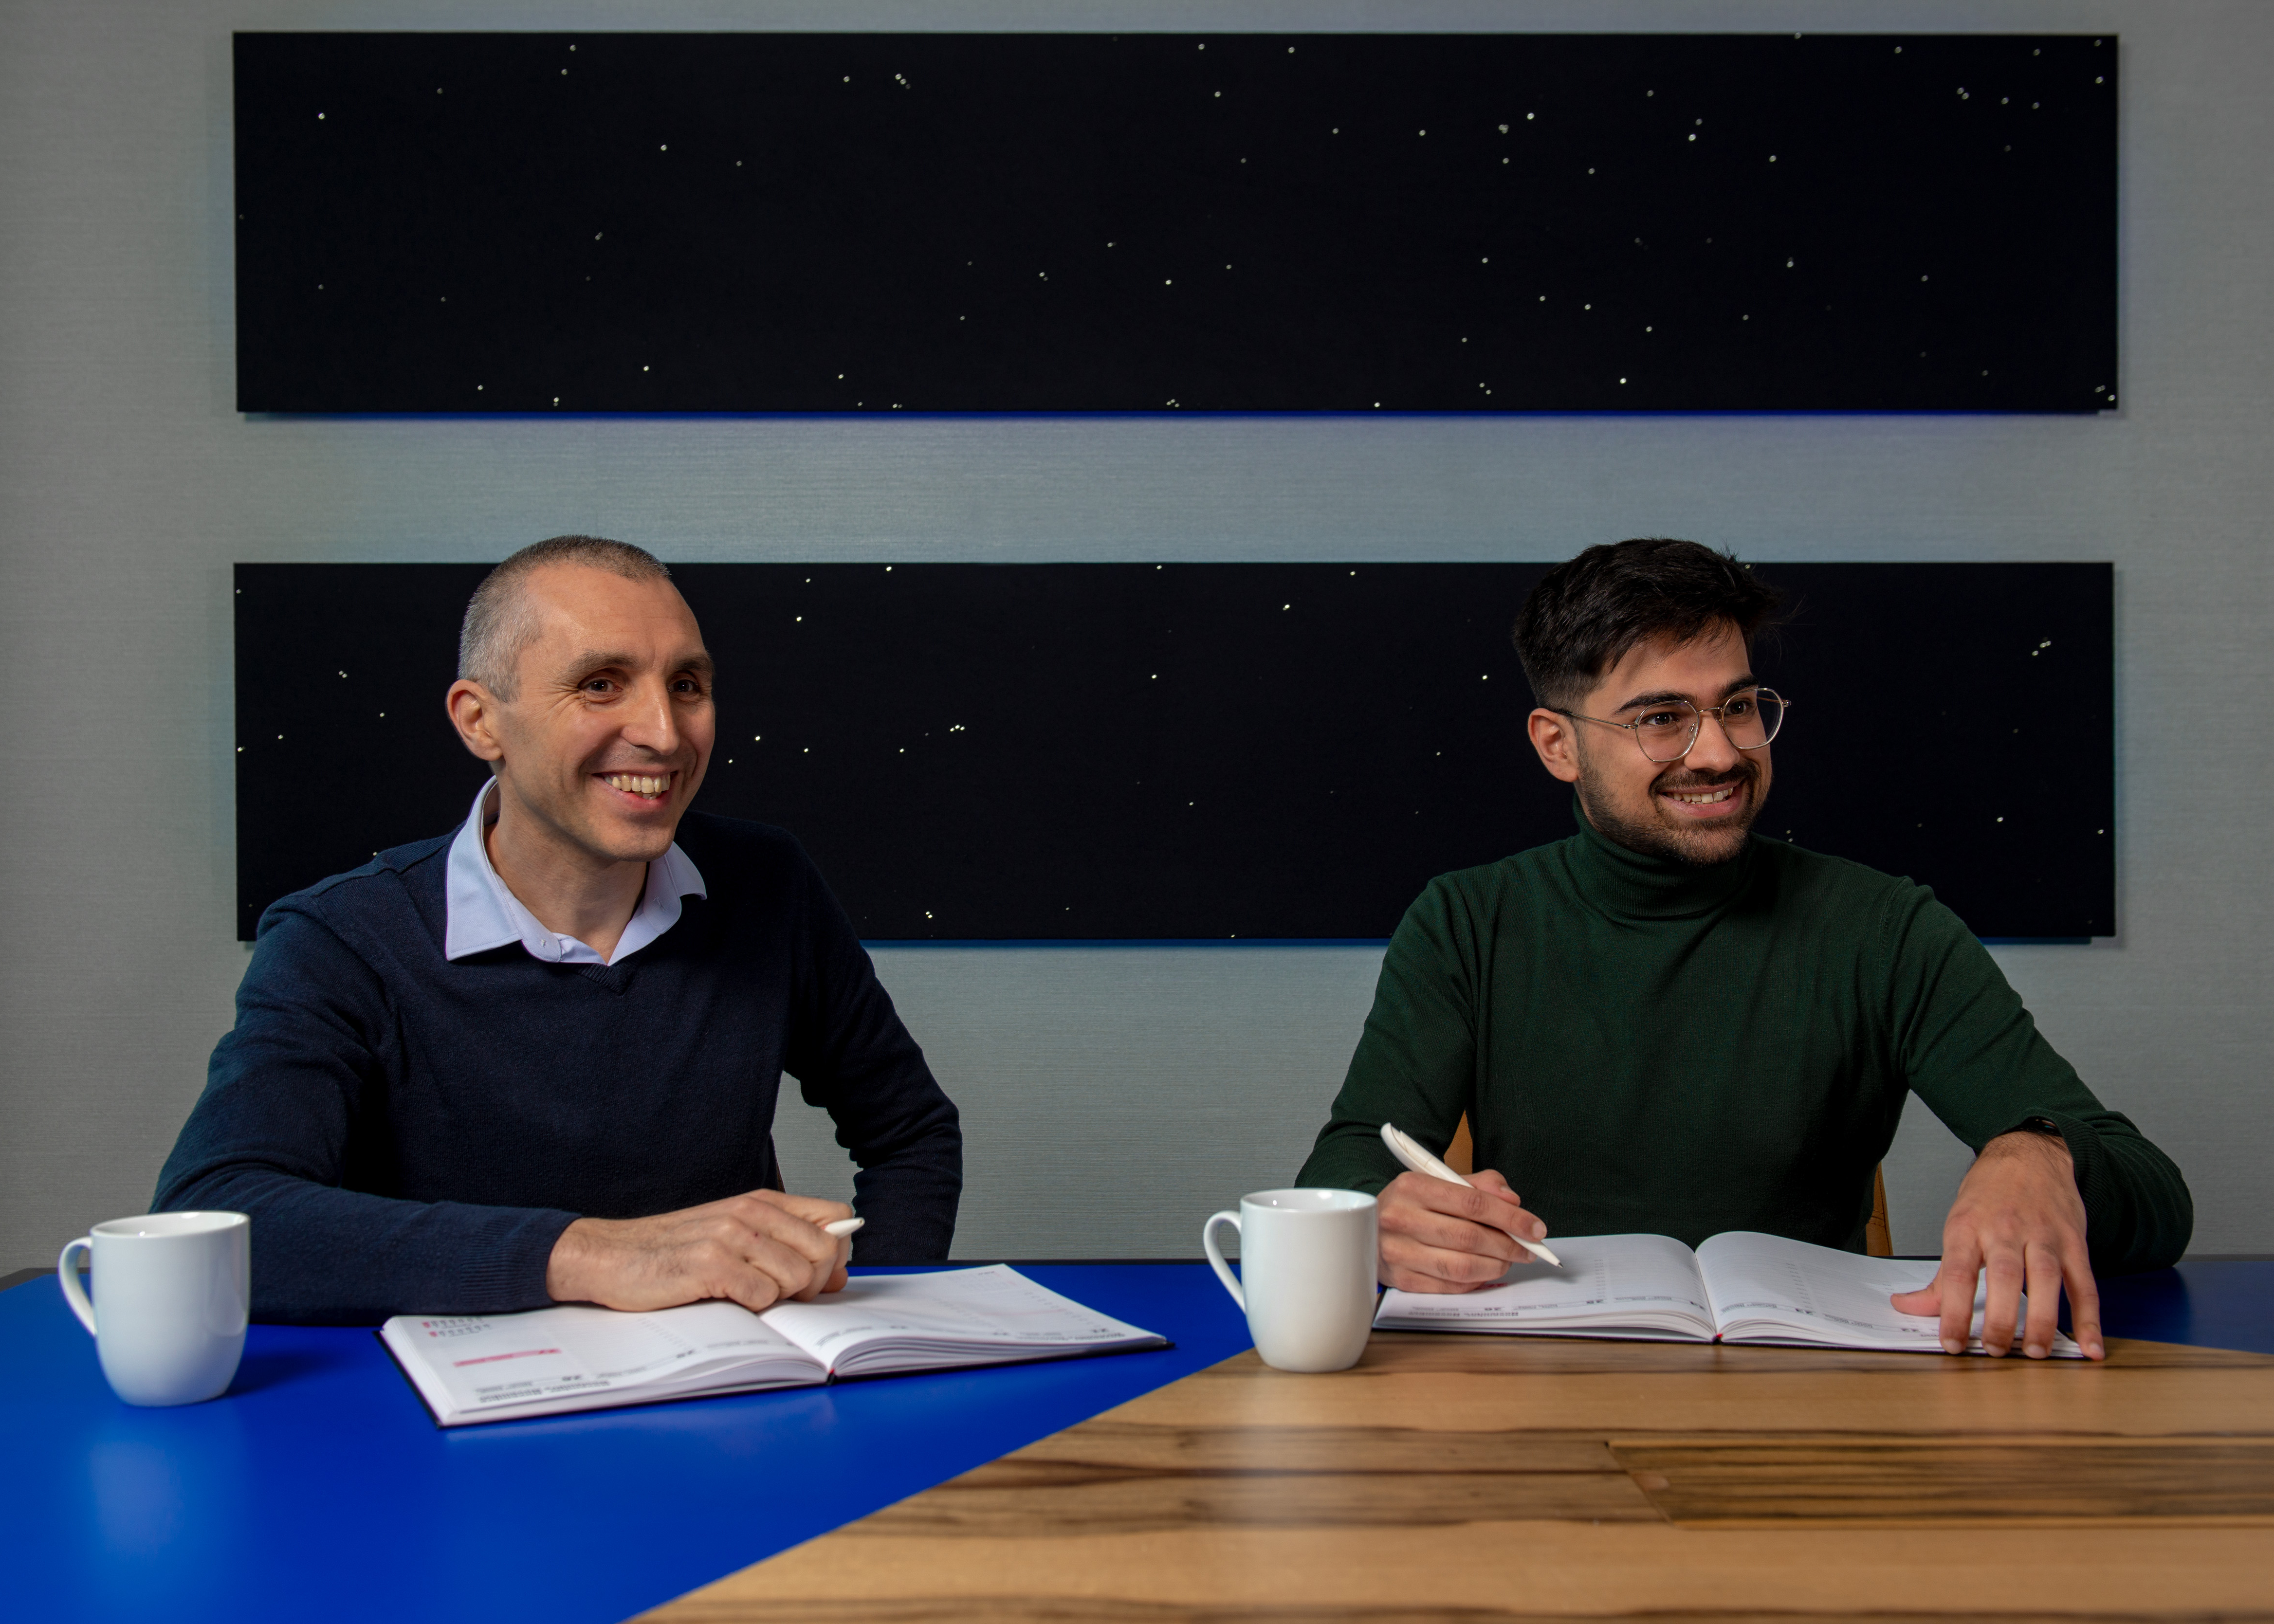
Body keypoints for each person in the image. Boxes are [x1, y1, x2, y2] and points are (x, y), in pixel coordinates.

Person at [1298, 538, 2189, 1361]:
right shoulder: (1466, 920)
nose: (1720, 751)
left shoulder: (1886, 928)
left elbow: (2158, 1200)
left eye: (1737, 705)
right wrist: (1376, 1216)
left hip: (1820, 1394)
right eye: (1661, 718)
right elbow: (1346, 1160)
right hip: (1537, 1382)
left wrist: (2042, 1153)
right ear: (1558, 744)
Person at [159, 536, 962, 1323]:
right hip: (450, 1425)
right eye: (602, 684)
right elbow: (218, 1213)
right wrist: (595, 1255)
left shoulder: (767, 884)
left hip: (720, 1406)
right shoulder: (339, 938)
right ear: (480, 722)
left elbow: (912, 1131)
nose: (664, 732)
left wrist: (865, 1328)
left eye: (687, 684)